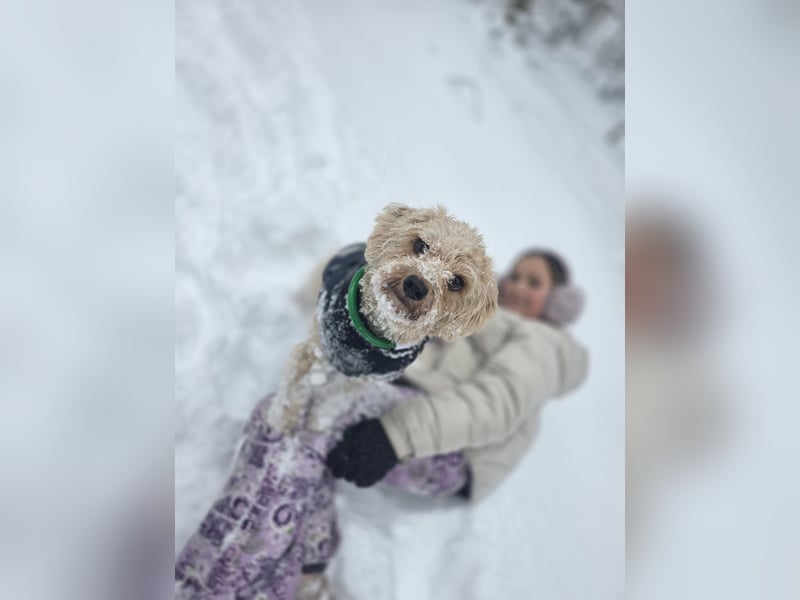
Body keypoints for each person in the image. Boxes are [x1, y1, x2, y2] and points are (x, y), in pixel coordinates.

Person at [175, 248, 588, 600]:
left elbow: (494, 405)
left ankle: (222, 583)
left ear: (557, 302)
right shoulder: (481, 313)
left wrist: (394, 435)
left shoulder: (544, 343)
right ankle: (301, 572)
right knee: (293, 414)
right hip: (409, 407)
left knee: (306, 412)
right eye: (515, 274)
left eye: (534, 282)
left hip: (456, 451)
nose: (517, 285)